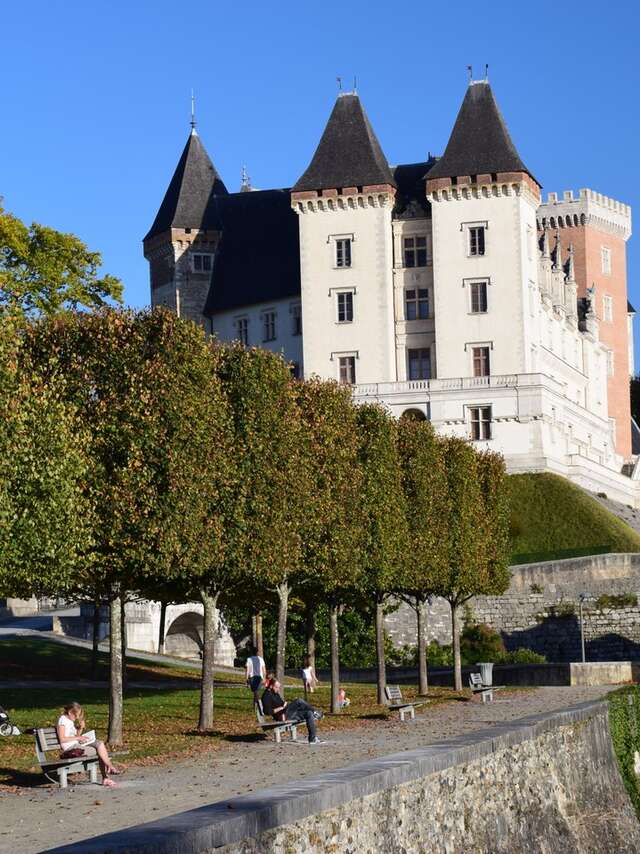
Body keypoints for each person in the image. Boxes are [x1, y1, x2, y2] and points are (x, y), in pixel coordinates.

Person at [57, 701, 120, 788]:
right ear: (70, 712)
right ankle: (107, 774)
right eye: (76, 715)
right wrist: (78, 738)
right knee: (100, 751)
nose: (77, 717)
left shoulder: (70, 721)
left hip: (77, 745)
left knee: (100, 743)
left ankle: (109, 768)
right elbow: (62, 739)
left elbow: (76, 736)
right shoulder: (62, 720)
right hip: (70, 748)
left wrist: (81, 728)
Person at [261, 676, 323, 744]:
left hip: (288, 713)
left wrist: (285, 704)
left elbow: (281, 703)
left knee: (309, 713)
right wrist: (281, 707)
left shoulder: (275, 693)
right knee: (299, 701)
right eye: (277, 687)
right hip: (282, 716)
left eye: (279, 687)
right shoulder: (266, 696)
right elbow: (267, 712)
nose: (278, 689)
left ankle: (312, 738)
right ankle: (315, 712)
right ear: (271, 686)